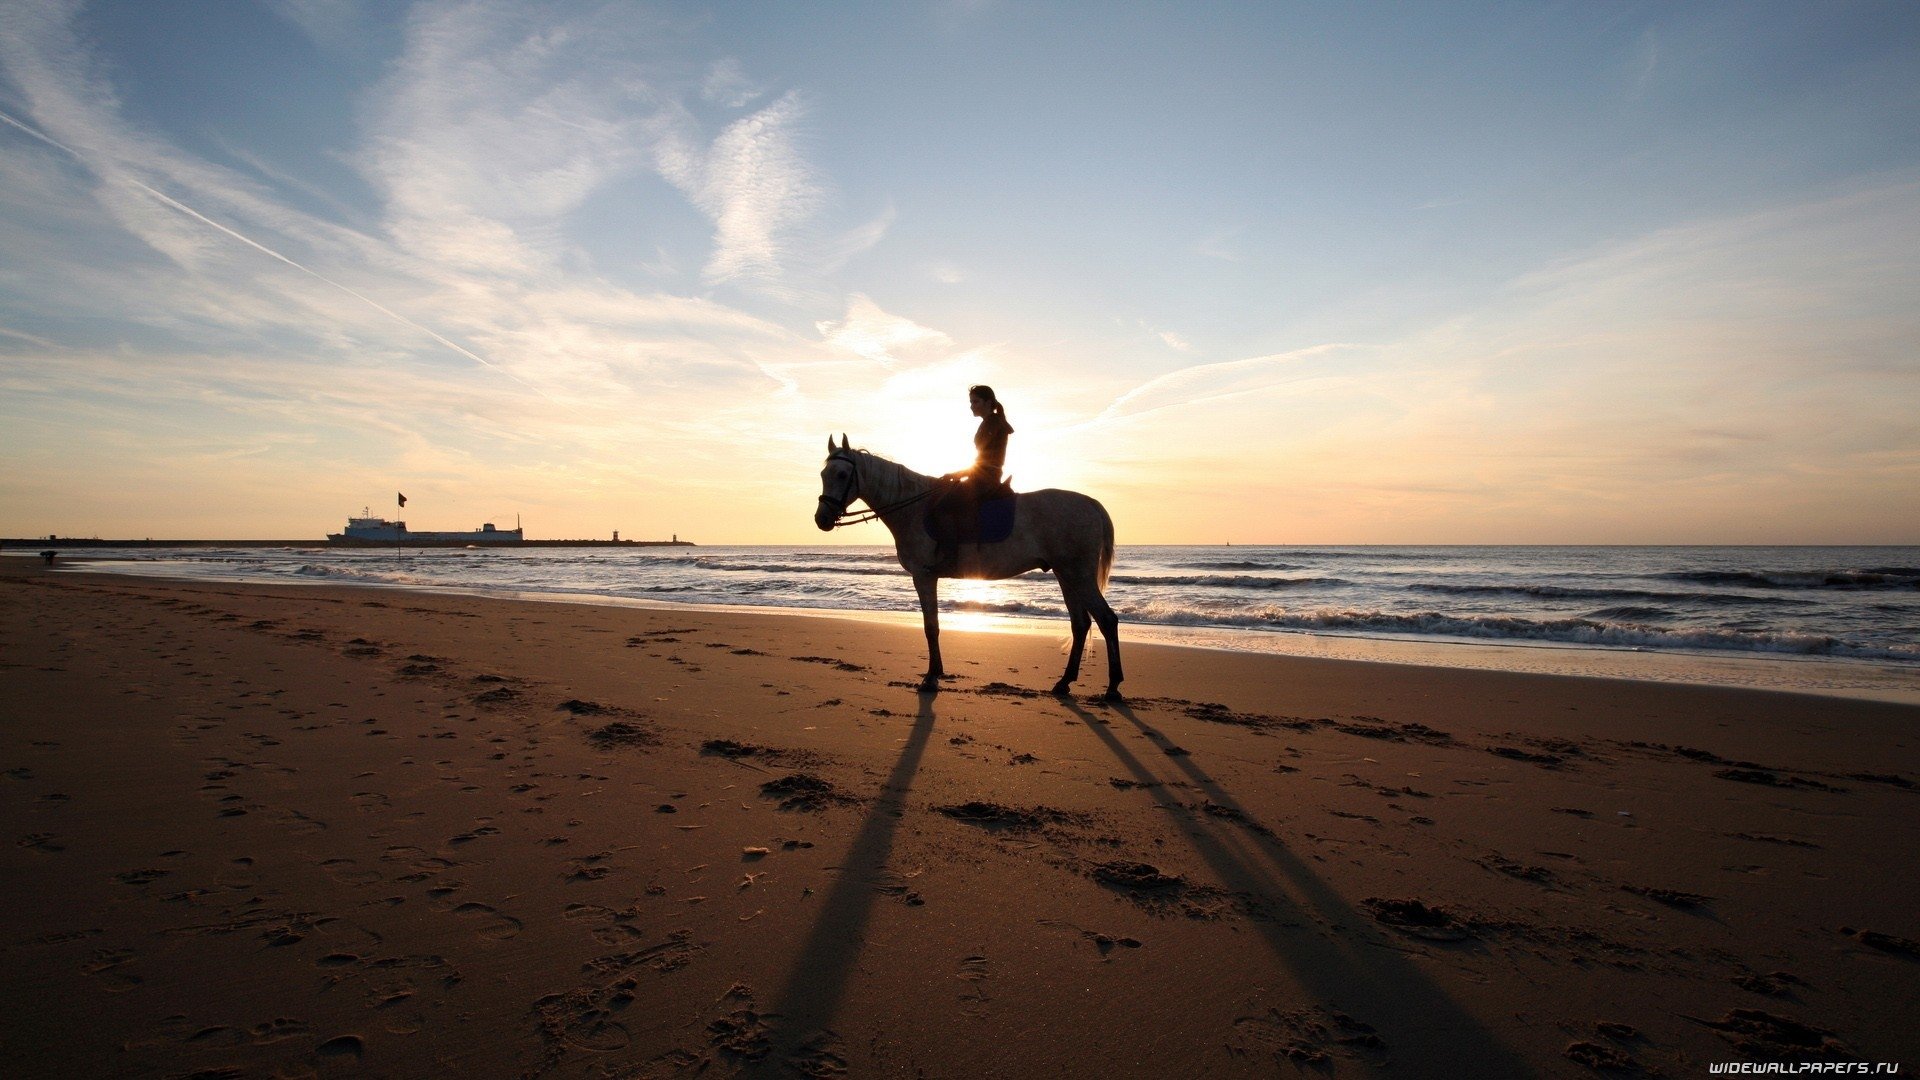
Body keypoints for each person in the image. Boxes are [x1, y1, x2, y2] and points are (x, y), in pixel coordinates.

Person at [929, 385, 1014, 574]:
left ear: (988, 402)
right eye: (971, 402)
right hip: (983, 476)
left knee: (941, 507)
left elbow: (982, 462)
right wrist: (959, 474)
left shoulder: (992, 423)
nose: (971, 406)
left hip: (984, 480)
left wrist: (958, 474)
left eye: (975, 402)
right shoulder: (991, 422)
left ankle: (950, 559)